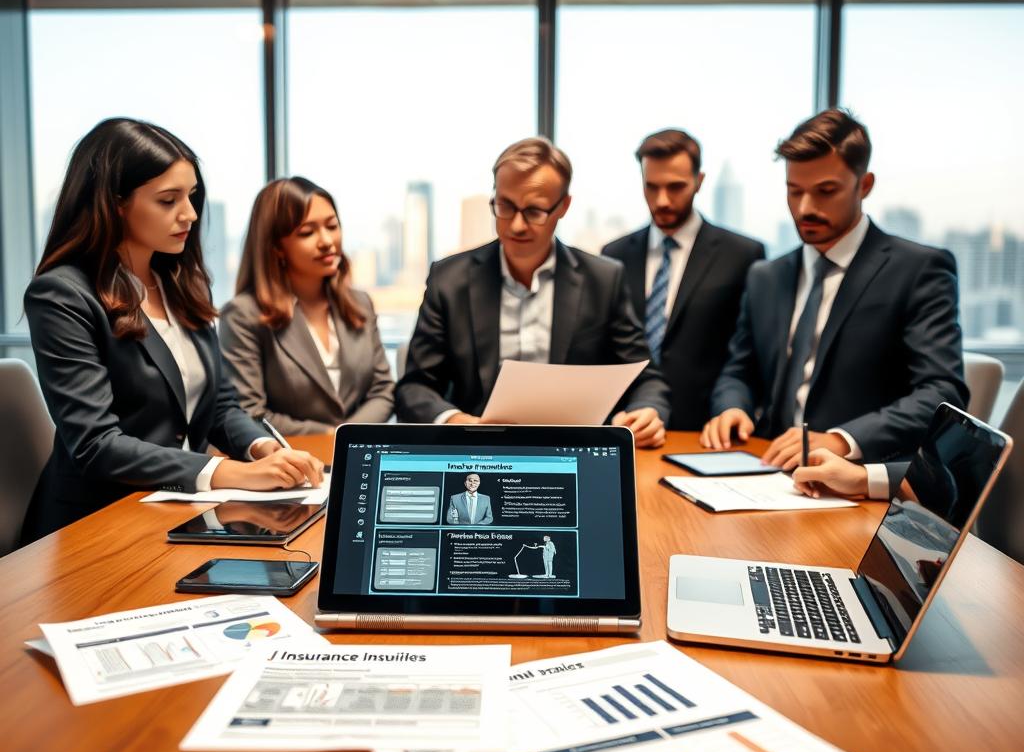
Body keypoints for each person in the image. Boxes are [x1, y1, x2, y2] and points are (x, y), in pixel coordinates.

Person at [20, 118, 323, 543]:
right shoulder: (61, 295)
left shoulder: (181, 284)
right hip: (96, 524)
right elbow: (96, 444)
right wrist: (230, 471)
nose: (190, 214)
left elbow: (220, 407)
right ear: (114, 204)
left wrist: (262, 448)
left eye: (192, 196)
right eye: (168, 200)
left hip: (177, 512)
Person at [702, 108, 968, 468]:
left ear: (865, 185)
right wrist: (733, 406)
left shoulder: (919, 270)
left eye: (826, 191)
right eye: (794, 191)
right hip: (764, 468)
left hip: (857, 478)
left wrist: (842, 440)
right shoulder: (766, 276)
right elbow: (739, 369)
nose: (805, 208)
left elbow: (941, 394)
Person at [395, 137, 671, 448]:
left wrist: (646, 411)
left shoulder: (603, 279)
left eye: (534, 211)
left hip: (572, 451)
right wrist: (457, 421)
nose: (516, 225)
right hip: (476, 451)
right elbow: (414, 387)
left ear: (563, 207)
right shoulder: (450, 279)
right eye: (505, 206)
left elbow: (646, 378)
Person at [601, 129, 765, 430]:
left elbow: (748, 353)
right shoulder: (614, 255)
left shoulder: (742, 254)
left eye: (675, 187)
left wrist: (733, 408)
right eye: (652, 187)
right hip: (629, 427)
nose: (662, 200)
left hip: (707, 429)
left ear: (699, 181)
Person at [219, 177, 394, 434]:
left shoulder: (360, 304)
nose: (327, 241)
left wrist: (348, 437)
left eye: (332, 226)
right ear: (276, 246)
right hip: (288, 462)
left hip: (357, 460)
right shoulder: (243, 315)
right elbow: (251, 413)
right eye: (307, 232)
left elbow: (383, 390)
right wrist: (329, 436)